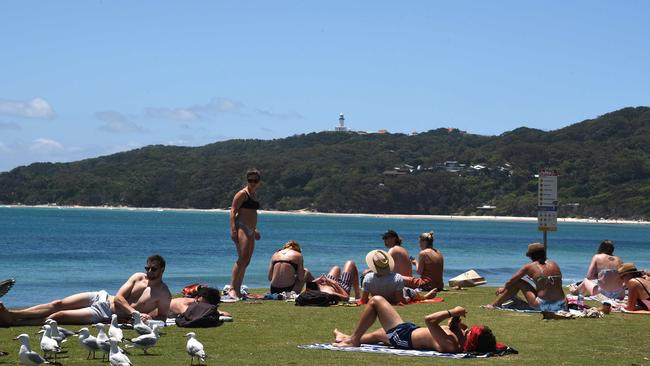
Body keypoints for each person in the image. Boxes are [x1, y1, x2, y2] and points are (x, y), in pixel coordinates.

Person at [0, 255, 171, 326]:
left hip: (104, 313)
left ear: (162, 270)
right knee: (58, 303)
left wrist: (148, 317)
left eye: (153, 269)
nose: (149, 272)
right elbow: (119, 298)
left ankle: (15, 322)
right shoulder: (138, 277)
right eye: (147, 268)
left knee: (59, 317)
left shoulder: (164, 294)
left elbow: (163, 316)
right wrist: (135, 312)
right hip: (102, 297)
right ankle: (13, 314)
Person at [334, 295, 497, 354]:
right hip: (410, 331)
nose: (467, 330)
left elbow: (430, 320)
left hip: (403, 337)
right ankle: (347, 337)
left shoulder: (451, 346)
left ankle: (353, 340)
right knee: (377, 335)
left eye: (470, 333)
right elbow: (454, 327)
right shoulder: (460, 339)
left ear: (471, 342)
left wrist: (452, 312)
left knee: (376, 300)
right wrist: (455, 323)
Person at [486, 243, 567, 312]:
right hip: (562, 304)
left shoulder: (530, 266)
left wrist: (504, 288)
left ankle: (495, 305)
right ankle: (504, 301)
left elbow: (511, 281)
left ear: (532, 256)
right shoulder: (554, 264)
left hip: (543, 305)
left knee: (518, 282)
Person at [228, 168, 262, 300]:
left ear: (259, 181)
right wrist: (233, 229)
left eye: (255, 180)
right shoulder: (242, 194)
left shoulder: (254, 194)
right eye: (250, 180)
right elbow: (233, 211)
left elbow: (252, 213)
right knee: (242, 258)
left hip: (250, 229)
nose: (253, 183)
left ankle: (238, 288)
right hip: (241, 227)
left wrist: (255, 229)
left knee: (247, 260)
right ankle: (232, 288)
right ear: (247, 180)